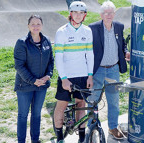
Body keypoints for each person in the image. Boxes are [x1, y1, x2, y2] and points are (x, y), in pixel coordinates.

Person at [88, 1, 130, 140]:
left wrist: (125, 52)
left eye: (111, 12)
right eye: (106, 13)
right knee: (93, 100)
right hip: (97, 70)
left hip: (113, 70)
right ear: (101, 15)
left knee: (114, 101)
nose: (108, 15)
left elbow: (122, 43)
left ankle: (112, 127)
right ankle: (92, 126)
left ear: (114, 14)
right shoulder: (93, 28)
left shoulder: (118, 26)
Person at [53, 1, 94, 143]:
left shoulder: (87, 31)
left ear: (85, 15)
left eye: (81, 13)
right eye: (75, 12)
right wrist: (64, 79)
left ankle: (82, 137)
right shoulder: (62, 31)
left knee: (81, 104)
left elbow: (90, 54)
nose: (78, 15)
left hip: (82, 75)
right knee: (61, 105)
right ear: (70, 14)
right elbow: (58, 57)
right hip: (67, 76)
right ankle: (59, 137)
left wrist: (90, 76)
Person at [14, 15, 54, 143]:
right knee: (23, 115)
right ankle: (21, 141)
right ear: (28, 26)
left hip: (41, 85)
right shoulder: (22, 42)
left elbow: (51, 61)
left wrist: (48, 75)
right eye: (33, 24)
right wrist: (33, 81)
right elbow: (19, 66)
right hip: (24, 86)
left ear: (42, 25)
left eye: (38, 24)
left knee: (36, 114)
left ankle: (35, 140)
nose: (36, 26)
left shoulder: (46, 40)